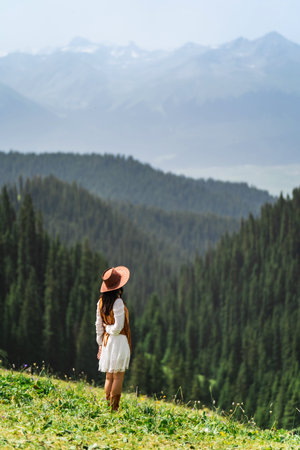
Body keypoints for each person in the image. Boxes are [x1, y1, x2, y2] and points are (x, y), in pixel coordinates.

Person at [95, 266, 131, 411]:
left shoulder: (100, 302)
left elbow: (98, 325)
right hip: (118, 341)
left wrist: (100, 343)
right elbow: (118, 326)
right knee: (118, 377)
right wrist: (109, 328)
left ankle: (107, 405)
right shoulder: (118, 302)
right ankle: (114, 408)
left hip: (107, 342)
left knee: (109, 377)